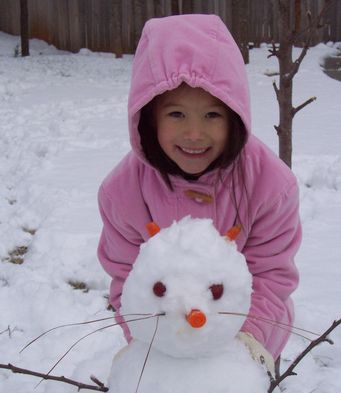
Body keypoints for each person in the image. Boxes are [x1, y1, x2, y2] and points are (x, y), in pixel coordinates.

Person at [97, 14, 301, 374]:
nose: (194, 134)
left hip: (251, 335)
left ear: (234, 116)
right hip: (165, 337)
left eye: (212, 115)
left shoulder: (270, 186)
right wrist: (149, 341)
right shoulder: (122, 193)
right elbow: (127, 279)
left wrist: (245, 344)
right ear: (149, 118)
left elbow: (270, 275)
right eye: (176, 114)